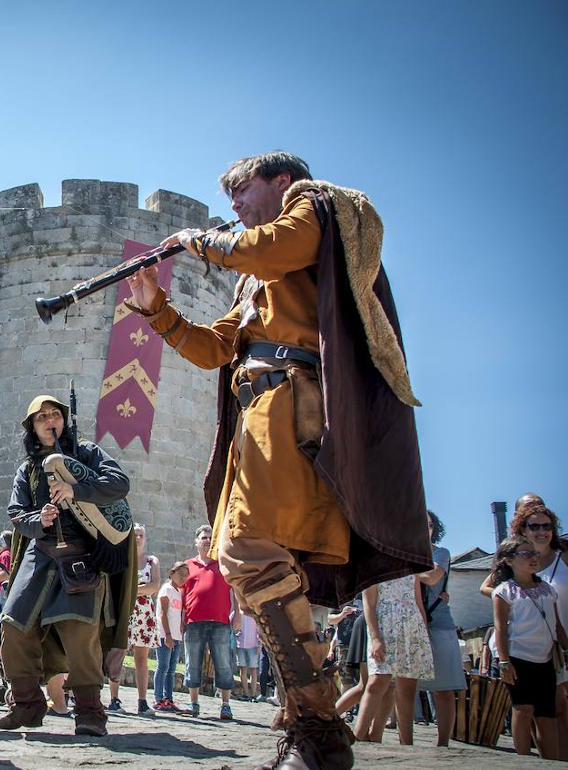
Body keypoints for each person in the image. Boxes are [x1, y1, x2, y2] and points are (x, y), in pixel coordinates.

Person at [126, 151, 432, 768]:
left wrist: (199, 240)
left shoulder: (318, 208)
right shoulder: (256, 276)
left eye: (241, 191)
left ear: (281, 181)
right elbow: (216, 348)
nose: (233, 205)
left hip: (292, 407)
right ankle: (313, 728)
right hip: (258, 417)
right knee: (252, 562)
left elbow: (266, 247)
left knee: (247, 551)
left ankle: (317, 727)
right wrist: (156, 309)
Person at [0, 394, 135, 738]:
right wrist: (38, 519)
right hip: (39, 554)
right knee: (13, 625)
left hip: (82, 553)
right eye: (41, 417)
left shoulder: (86, 452)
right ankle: (27, 703)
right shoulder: (27, 469)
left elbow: (120, 484)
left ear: (64, 420)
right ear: (32, 426)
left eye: (54, 414)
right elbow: (16, 514)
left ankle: (89, 711)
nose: (48, 421)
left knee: (79, 630)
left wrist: (77, 489)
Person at [493, 534, 568, 759]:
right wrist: (504, 661)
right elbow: (500, 629)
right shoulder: (504, 592)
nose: (533, 558)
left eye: (534, 553)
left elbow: (557, 626)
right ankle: (524, 759)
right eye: (525, 554)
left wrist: (566, 648)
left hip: (545, 659)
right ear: (509, 560)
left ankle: (551, 761)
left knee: (547, 714)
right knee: (523, 709)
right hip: (517, 659)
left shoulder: (547, 589)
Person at [353, 574, 433, 745]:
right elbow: (369, 605)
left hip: (412, 626)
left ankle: (407, 743)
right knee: (377, 681)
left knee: (407, 687)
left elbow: (418, 602)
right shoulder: (373, 566)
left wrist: (423, 634)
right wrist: (375, 638)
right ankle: (358, 738)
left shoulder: (412, 566)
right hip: (384, 626)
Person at [416, 511, 465, 746]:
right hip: (410, 625)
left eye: (428, 524)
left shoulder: (440, 552)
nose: (424, 528)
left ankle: (443, 743)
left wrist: (404, 569)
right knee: (401, 688)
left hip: (439, 623)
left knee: (444, 689)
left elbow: (433, 577)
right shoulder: (405, 553)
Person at [180, 525, 238, 719]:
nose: (206, 540)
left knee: (223, 664)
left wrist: (237, 613)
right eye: (203, 537)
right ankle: (193, 703)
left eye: (209, 538)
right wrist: (181, 620)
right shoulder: (187, 566)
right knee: (192, 663)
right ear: (196, 542)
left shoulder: (223, 564)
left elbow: (235, 591)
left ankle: (226, 705)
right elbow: (182, 594)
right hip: (193, 621)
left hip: (220, 622)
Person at [115, 524, 157, 714]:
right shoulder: (123, 558)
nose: (138, 538)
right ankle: (114, 699)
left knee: (142, 659)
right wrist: (140, 588)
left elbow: (154, 586)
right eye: (135, 535)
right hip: (125, 611)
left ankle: (142, 701)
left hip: (144, 614)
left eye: (141, 535)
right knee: (118, 655)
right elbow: (118, 584)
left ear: (145, 538)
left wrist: (133, 589)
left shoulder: (151, 561)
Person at [154, 561, 188, 712]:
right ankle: (158, 699)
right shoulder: (166, 589)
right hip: (165, 634)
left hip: (176, 636)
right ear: (171, 573)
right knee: (163, 667)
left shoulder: (178, 592)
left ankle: (168, 699)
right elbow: (163, 613)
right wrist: (167, 634)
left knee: (171, 669)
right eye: (181, 574)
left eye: (186, 575)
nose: (183, 578)